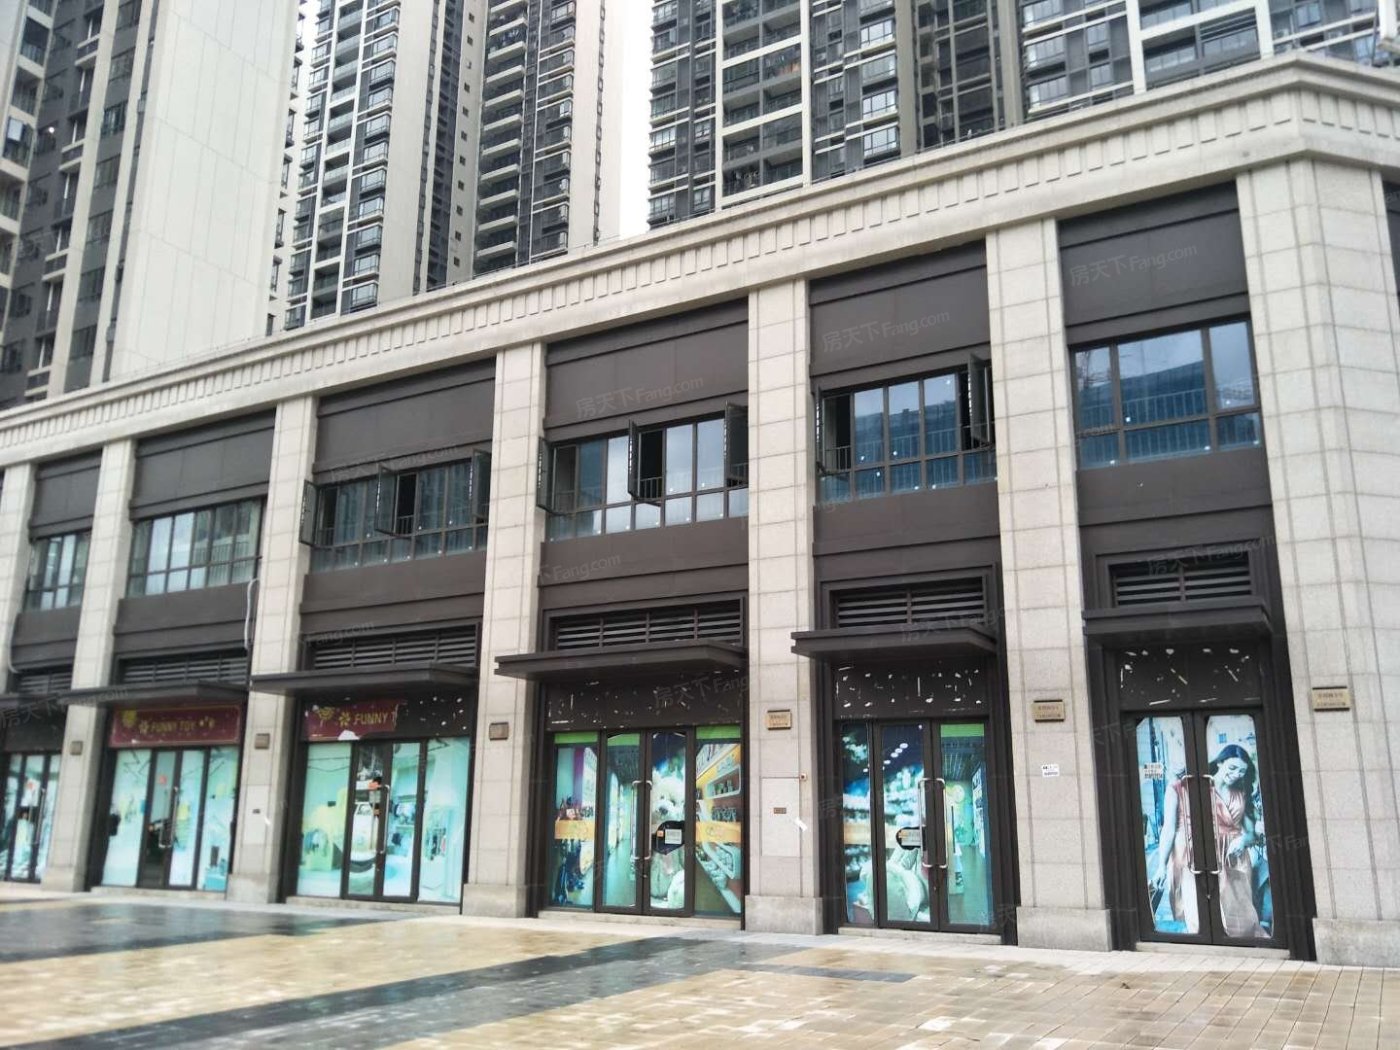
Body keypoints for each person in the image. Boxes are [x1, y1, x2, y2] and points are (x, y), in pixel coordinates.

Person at [1209, 743, 1267, 939]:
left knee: (1242, 906)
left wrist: (1242, 841)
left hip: (1237, 855)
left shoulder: (1241, 792)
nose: (1236, 774)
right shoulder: (1201, 788)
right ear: (1220, 762)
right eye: (1232, 768)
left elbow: (1252, 833)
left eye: (1241, 771)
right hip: (1211, 851)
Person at [1150, 766, 1198, 934]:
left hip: (1182, 850)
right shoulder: (1205, 784)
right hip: (1190, 849)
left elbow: (1169, 829)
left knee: (1185, 899)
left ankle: (1192, 932)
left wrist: (1161, 866)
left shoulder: (1175, 787)